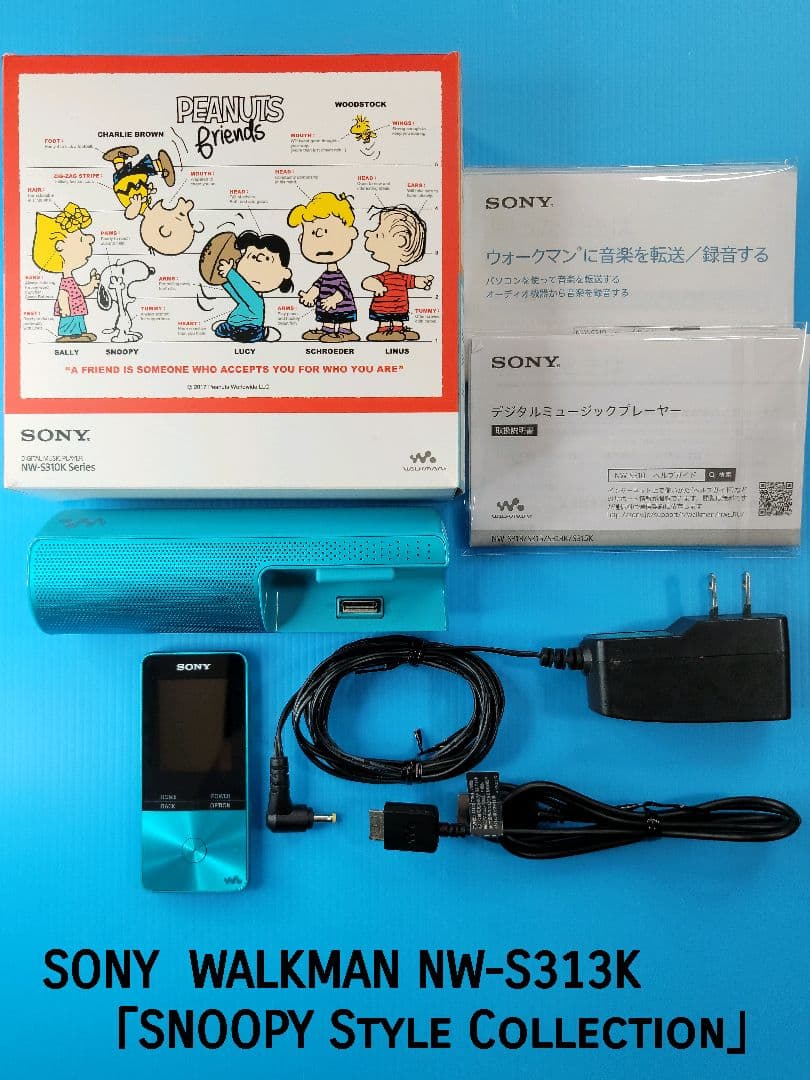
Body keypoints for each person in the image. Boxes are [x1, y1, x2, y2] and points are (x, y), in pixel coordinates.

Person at [287, 192, 359, 342]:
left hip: (342, 308)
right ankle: (327, 331)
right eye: (313, 233)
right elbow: (317, 286)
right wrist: (309, 295)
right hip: (326, 309)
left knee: (342, 319)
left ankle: (346, 332)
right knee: (327, 318)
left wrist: (334, 299)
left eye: (327, 232)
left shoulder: (339, 276)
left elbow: (343, 291)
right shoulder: (325, 276)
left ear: (350, 233)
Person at [361, 205, 433, 341]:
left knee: (398, 321)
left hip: (400, 308)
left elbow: (413, 281)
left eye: (379, 234)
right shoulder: (383, 277)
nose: (368, 233)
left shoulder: (403, 278)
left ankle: (398, 330)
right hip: (382, 308)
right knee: (384, 321)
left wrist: (421, 281)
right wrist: (376, 286)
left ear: (400, 241)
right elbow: (366, 282)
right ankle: (383, 331)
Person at [32, 202, 100, 342]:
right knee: (71, 322)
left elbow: (79, 291)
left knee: (78, 321)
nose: (90, 239)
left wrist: (92, 284)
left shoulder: (70, 280)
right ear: (60, 246)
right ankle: (69, 335)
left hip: (77, 311)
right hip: (70, 311)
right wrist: (64, 308)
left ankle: (78, 334)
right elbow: (63, 295)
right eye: (81, 239)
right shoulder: (66, 282)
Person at [211, 231, 293, 343]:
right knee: (224, 329)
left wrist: (230, 273)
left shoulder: (256, 300)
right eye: (252, 257)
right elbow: (237, 294)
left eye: (267, 259)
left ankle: (264, 333)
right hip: (233, 323)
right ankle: (230, 328)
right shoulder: (248, 295)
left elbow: (244, 290)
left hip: (250, 327)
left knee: (247, 333)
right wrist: (223, 281)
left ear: (285, 273)